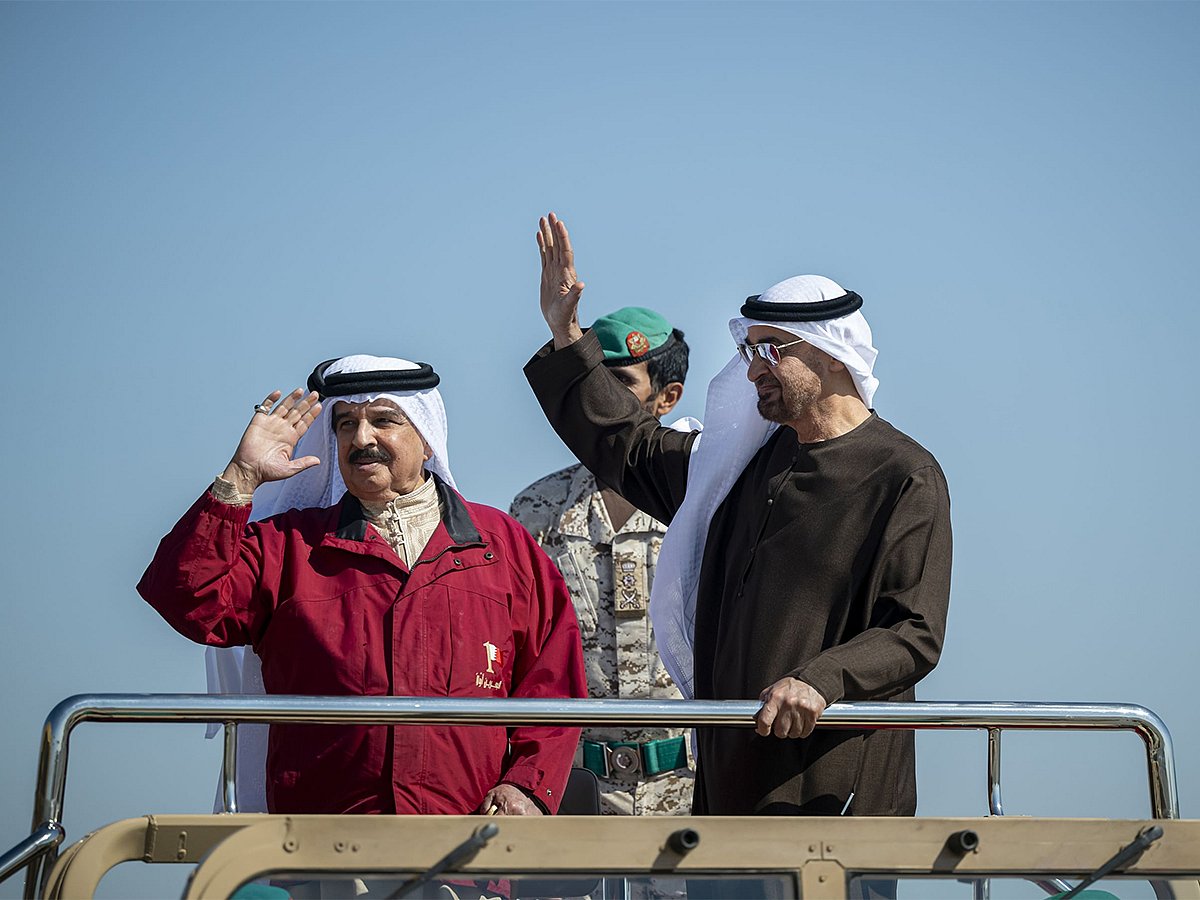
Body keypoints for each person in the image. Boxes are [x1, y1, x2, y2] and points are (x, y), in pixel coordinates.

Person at [525, 213, 952, 819]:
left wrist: (822, 680)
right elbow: (627, 446)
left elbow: (912, 632)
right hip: (726, 784)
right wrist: (567, 335)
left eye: (772, 350)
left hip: (836, 788)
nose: (753, 369)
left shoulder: (902, 474)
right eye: (750, 350)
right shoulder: (735, 467)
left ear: (832, 357)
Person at [138, 354, 587, 816]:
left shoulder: (501, 545)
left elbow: (553, 682)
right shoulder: (289, 546)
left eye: (383, 421)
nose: (362, 438)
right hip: (322, 848)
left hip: (473, 849)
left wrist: (527, 787)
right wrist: (242, 476)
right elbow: (184, 597)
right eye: (346, 424)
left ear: (427, 439)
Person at [510, 307, 698, 816]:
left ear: (668, 397)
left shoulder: (705, 501)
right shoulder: (536, 509)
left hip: (688, 792)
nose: (599, 398)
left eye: (617, 382)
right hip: (571, 792)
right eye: (591, 381)